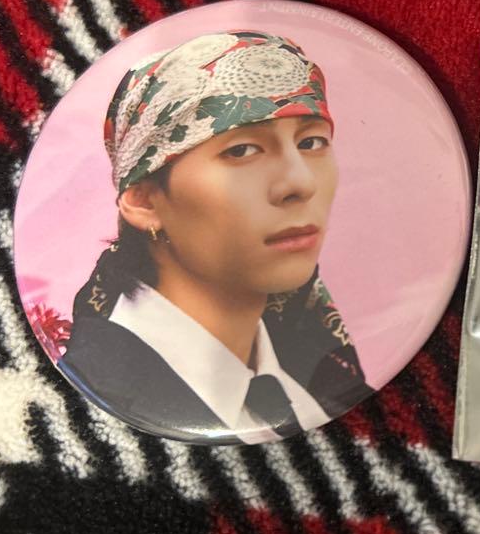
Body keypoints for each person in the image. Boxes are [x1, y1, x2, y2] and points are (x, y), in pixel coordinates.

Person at [59, 30, 368, 444]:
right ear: (144, 201)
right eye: (241, 150)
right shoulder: (90, 396)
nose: (300, 183)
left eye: (312, 142)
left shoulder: (325, 381)